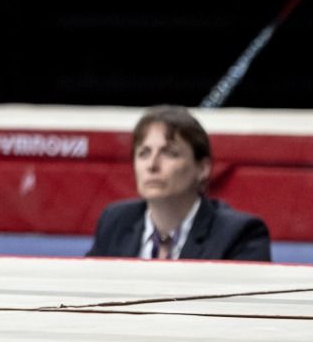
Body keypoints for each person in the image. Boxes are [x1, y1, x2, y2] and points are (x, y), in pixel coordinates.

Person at [86, 106, 270, 260]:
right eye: (144, 153)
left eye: (169, 153)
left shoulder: (240, 235)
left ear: (202, 168)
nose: (152, 165)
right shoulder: (116, 221)